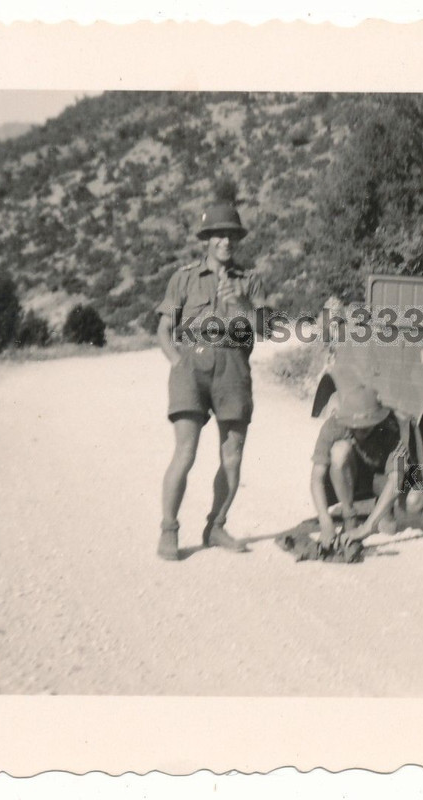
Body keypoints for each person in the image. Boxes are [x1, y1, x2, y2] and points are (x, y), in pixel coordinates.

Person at [155, 201, 271, 561]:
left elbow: (266, 330)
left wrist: (241, 306)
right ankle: (169, 530)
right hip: (191, 368)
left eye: (232, 235)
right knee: (185, 452)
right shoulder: (184, 278)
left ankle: (216, 525)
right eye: (219, 234)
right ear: (206, 238)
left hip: (234, 370)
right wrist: (176, 361)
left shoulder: (250, 281)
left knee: (232, 457)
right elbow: (164, 328)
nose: (226, 241)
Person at [310, 386, 411, 550]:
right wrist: (325, 521)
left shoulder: (395, 428)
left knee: (400, 516)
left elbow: (397, 479)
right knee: (339, 452)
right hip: (349, 477)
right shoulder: (334, 425)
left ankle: (383, 508)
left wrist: (367, 527)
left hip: (381, 480)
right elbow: (316, 478)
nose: (359, 430)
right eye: (354, 425)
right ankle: (349, 516)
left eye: (365, 426)